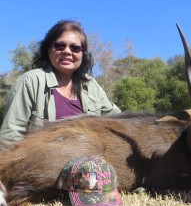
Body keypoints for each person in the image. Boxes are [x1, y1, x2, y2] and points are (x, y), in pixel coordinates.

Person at [0, 20, 120, 148]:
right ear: (48, 50)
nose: (67, 51)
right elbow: (10, 136)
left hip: (89, 162)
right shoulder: (30, 81)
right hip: (42, 163)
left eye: (75, 48)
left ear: (82, 54)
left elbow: (118, 121)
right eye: (59, 46)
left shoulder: (91, 85)